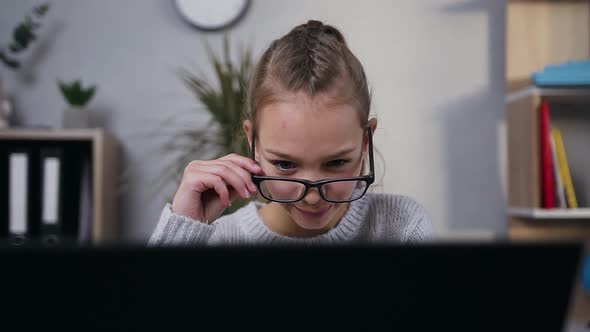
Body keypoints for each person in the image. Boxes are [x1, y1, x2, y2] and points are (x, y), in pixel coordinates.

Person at [149, 20, 434, 246]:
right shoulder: (215, 241)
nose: (311, 197)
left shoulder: (401, 226)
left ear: (365, 142)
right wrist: (180, 233)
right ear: (254, 142)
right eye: (285, 164)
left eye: (335, 163)